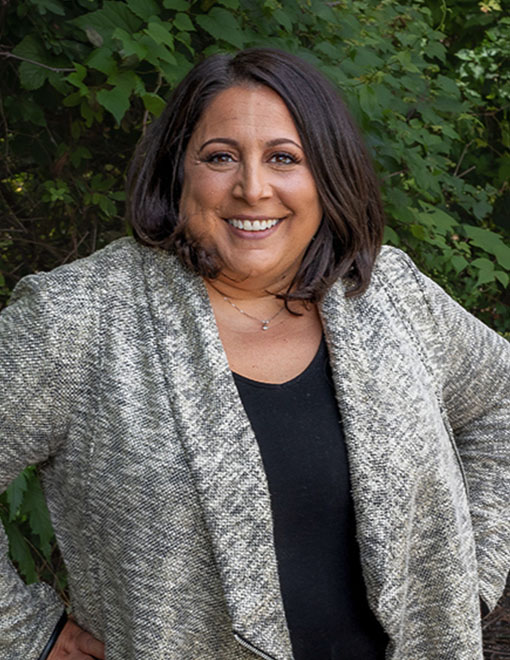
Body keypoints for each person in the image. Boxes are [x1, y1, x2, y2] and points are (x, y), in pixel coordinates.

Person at [0, 48, 509, 660]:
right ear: (177, 171)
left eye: (284, 158)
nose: (253, 188)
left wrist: (466, 576)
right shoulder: (77, 318)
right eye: (220, 157)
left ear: (327, 175)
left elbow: (500, 402)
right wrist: (26, 631)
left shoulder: (386, 294)